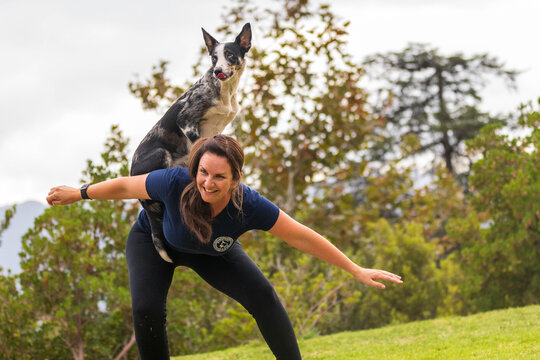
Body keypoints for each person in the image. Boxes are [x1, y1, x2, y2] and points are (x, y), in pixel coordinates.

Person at [47, 135, 403, 360]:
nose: (208, 182)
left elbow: (299, 235)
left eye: (219, 176)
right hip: (155, 242)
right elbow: (126, 187)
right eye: (203, 172)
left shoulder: (249, 205)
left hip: (212, 251)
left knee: (263, 297)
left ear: (236, 179)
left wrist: (355, 269)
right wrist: (78, 193)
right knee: (146, 311)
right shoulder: (175, 181)